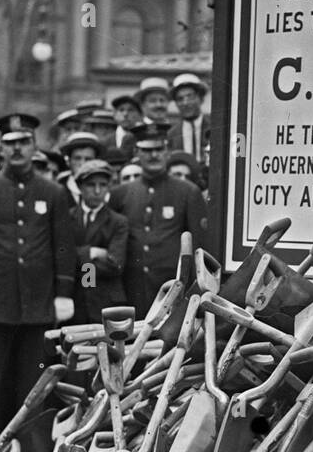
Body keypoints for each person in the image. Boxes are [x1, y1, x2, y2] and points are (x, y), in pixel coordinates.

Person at [0, 127, 75, 452]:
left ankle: (33, 449)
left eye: (24, 142)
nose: (18, 149)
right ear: (1, 149)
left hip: (37, 302)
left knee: (33, 379)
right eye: (10, 143)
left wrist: (63, 291)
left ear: (34, 145)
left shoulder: (52, 193)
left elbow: (63, 247)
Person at [107, 122, 208, 317]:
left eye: (159, 149)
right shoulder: (121, 193)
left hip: (173, 291)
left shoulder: (187, 192)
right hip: (131, 291)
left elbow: (199, 249)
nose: (153, 155)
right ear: (137, 151)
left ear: (167, 150)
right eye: (147, 150)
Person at [70, 160, 128, 324]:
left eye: (103, 185)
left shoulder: (118, 222)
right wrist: (91, 252)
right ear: (80, 187)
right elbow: (61, 256)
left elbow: (115, 265)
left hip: (106, 301)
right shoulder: (67, 218)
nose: (97, 191)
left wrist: (77, 258)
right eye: (91, 185)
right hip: (76, 301)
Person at [170, 73, 211, 169]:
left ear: (201, 99)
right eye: (180, 99)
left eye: (190, 97)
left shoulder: (215, 127)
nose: (186, 103)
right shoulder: (172, 134)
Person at [59, 131, 101, 205]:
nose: (82, 164)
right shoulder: (58, 189)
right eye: (77, 158)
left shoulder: (104, 190)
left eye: (88, 159)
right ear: (68, 161)